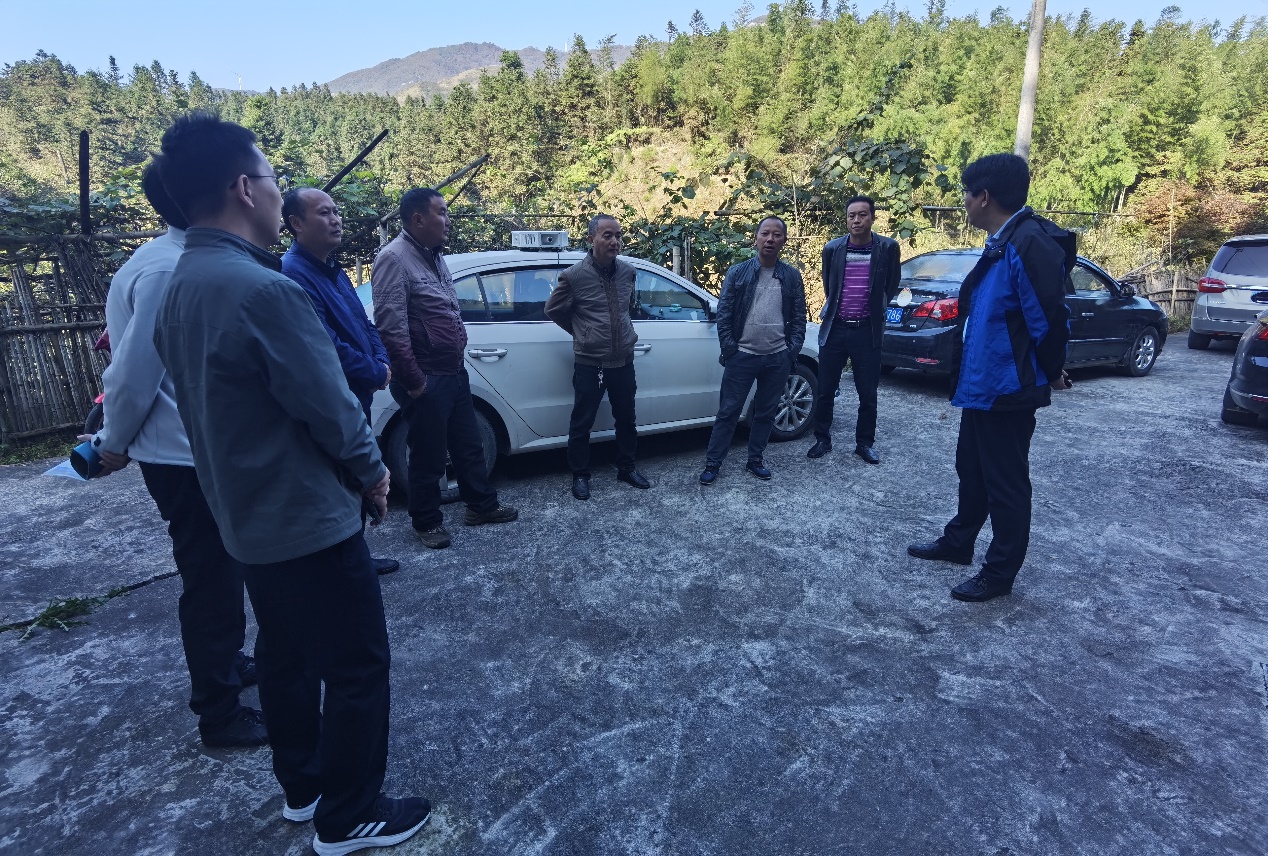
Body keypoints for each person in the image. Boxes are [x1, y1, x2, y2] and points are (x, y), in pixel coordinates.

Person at [151, 112, 429, 855]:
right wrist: (373, 473)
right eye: (273, 179)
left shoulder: (180, 284)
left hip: (244, 519)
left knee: (284, 655)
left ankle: (303, 787)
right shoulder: (262, 289)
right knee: (358, 664)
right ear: (245, 189)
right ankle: (350, 814)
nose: (279, 193)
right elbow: (329, 405)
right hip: (306, 517)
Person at [85, 163, 265, 749]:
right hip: (185, 458)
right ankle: (219, 712)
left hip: (195, 451)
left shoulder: (174, 258)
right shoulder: (169, 269)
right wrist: (112, 444)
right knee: (210, 581)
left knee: (222, 571)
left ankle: (228, 664)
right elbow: (133, 374)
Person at [906, 153, 1073, 603]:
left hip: (1007, 387)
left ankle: (999, 574)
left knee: (1006, 484)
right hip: (981, 384)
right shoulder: (1004, 239)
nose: (962, 202)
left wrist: (1051, 370)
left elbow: (1049, 319)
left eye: (965, 193)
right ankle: (959, 542)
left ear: (984, 196)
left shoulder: (1029, 243)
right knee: (972, 470)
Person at [372, 187, 517, 548]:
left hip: (452, 371)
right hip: (425, 376)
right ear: (418, 219)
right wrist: (415, 381)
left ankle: (481, 506)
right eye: (442, 212)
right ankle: (426, 522)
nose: (448, 220)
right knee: (428, 454)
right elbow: (391, 328)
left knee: (468, 445)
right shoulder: (394, 258)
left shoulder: (434, 256)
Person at [280, 187, 399, 575]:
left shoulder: (332, 269)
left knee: (355, 477)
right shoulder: (293, 274)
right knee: (343, 477)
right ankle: (347, 565)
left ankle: (357, 557)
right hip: (335, 397)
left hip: (358, 392)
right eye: (324, 213)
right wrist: (375, 371)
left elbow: (365, 324)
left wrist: (381, 361)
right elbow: (324, 344)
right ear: (296, 223)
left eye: (336, 211)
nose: (336, 219)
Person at [544, 213, 651, 500]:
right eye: (608, 235)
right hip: (590, 364)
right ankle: (580, 475)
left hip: (623, 361)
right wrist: (582, 332)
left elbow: (626, 307)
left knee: (626, 419)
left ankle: (626, 468)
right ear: (592, 239)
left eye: (618, 235)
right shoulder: (574, 276)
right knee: (582, 422)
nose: (615, 241)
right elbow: (553, 309)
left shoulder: (628, 272)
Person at [698, 216, 806, 484]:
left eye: (776, 235)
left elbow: (799, 317)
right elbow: (724, 314)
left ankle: (755, 460)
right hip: (742, 356)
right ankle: (713, 463)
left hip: (777, 357)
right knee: (728, 412)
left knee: (766, 412)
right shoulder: (738, 272)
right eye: (765, 234)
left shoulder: (791, 276)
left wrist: (791, 352)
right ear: (755, 237)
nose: (770, 239)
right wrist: (731, 350)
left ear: (784, 240)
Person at [807, 195, 902, 465]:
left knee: (867, 393)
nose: (856, 220)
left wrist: (875, 309)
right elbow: (830, 287)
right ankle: (822, 439)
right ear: (846, 219)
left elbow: (891, 284)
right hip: (835, 329)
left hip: (867, 331)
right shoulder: (833, 249)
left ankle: (864, 443)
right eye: (852, 215)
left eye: (862, 215)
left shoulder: (888, 247)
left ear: (872, 218)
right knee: (825, 389)